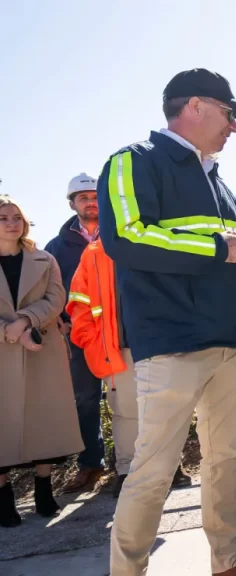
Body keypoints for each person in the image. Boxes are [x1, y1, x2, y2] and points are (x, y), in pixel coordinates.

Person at [98, 68, 236, 576]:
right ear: (195, 106)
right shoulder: (131, 162)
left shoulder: (217, 179)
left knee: (225, 459)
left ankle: (229, 561)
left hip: (233, 342)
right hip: (173, 342)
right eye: (230, 114)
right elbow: (127, 238)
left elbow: (218, 257)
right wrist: (225, 248)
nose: (235, 127)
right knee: (153, 472)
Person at [65, 237, 191, 498]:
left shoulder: (156, 240)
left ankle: (171, 466)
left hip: (162, 341)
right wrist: (92, 341)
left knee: (169, 408)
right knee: (127, 412)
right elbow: (79, 303)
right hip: (119, 347)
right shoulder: (94, 252)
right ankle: (126, 471)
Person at [0, 196, 82, 528]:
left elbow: (56, 297)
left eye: (16, 216)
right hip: (3, 350)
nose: (10, 222)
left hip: (42, 347)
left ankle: (44, 490)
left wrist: (26, 322)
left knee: (45, 418)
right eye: (3, 217)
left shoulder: (44, 258)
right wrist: (9, 330)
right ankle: (4, 500)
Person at [44, 173, 105, 493]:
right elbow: (50, 291)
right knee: (84, 400)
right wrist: (61, 321)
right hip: (80, 336)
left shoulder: (122, 233)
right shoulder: (56, 247)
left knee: (139, 398)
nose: (90, 201)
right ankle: (91, 464)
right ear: (72, 203)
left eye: (95, 195)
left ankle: (144, 463)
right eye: (83, 197)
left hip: (122, 332)